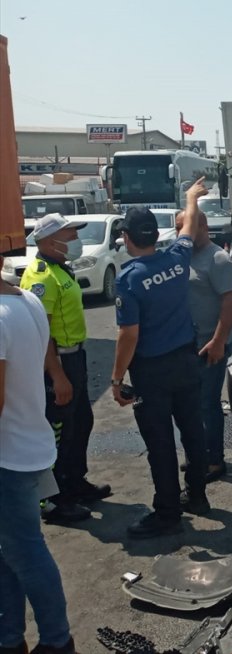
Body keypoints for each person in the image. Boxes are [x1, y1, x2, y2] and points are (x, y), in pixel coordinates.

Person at [110, 178, 211, 538]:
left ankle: (168, 513)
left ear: (127, 238)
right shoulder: (177, 259)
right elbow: (188, 226)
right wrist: (191, 197)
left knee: (161, 444)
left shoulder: (130, 279)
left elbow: (129, 335)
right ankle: (197, 496)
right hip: (186, 362)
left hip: (152, 371)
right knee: (193, 432)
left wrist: (116, 378)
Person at [1, 276, 77, 654]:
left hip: (7, 457)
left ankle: (56, 641)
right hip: (29, 444)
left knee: (25, 552)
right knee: (11, 551)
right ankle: (9, 637)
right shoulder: (27, 300)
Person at [19, 213, 110, 525]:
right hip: (57, 362)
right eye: (70, 235)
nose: (75, 241)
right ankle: (54, 501)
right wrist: (57, 375)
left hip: (76, 358)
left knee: (80, 423)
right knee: (59, 432)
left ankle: (75, 482)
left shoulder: (62, 269)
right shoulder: (41, 277)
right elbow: (40, 331)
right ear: (47, 241)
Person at [175, 210, 232, 483]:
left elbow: (230, 302)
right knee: (191, 404)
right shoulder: (184, 256)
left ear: (202, 225)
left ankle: (214, 461)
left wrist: (218, 341)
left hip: (212, 344)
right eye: (178, 228)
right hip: (191, 344)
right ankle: (199, 454)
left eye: (186, 226)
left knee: (207, 403)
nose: (182, 232)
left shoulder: (218, 259)